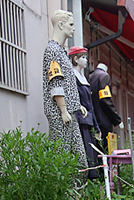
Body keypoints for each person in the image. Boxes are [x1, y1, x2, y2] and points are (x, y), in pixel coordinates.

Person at [42, 10, 87, 166]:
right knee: (60, 160)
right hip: (60, 114)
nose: (73, 28)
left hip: (69, 111)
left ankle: (72, 190)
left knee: (80, 162)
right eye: (71, 24)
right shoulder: (52, 51)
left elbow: (66, 83)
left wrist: (76, 104)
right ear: (61, 25)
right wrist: (63, 110)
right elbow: (55, 82)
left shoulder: (61, 52)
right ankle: (58, 190)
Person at [68, 46, 100, 178]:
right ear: (75, 59)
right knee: (84, 154)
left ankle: (91, 185)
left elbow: (90, 105)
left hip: (89, 120)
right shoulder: (72, 77)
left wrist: (97, 126)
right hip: (80, 120)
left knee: (92, 154)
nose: (86, 60)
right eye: (83, 57)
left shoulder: (84, 78)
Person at [88, 62, 122, 151]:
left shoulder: (91, 77)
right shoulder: (104, 76)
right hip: (103, 120)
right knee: (106, 151)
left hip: (93, 120)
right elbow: (105, 99)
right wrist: (116, 119)